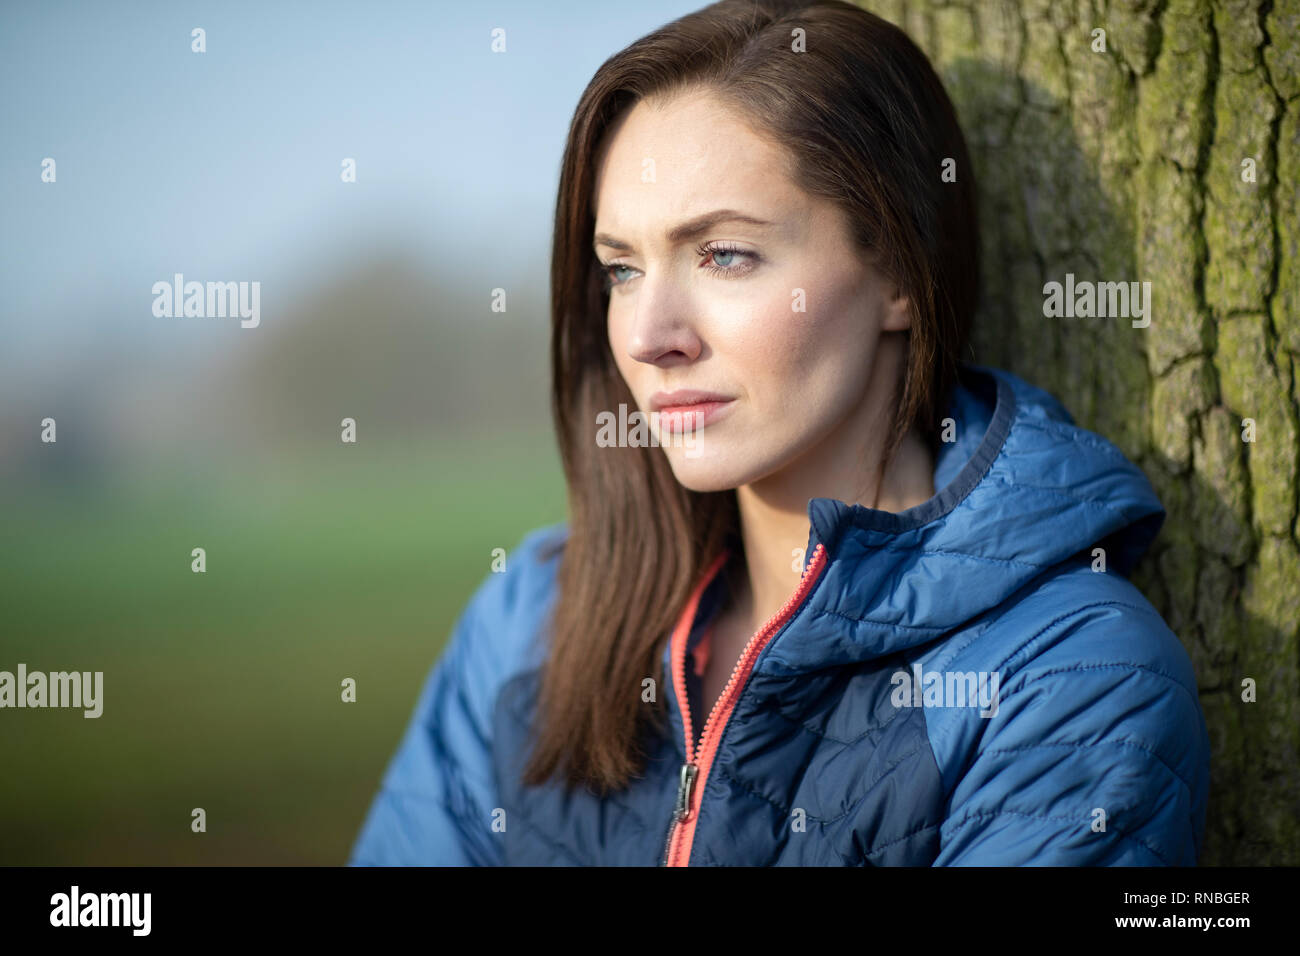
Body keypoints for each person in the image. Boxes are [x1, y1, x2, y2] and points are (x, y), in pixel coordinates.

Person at [349, 0, 1210, 866]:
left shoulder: (1068, 682)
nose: (650, 336)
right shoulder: (527, 621)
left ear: (900, 273)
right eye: (622, 268)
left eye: (724, 254)